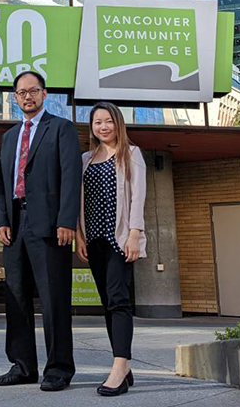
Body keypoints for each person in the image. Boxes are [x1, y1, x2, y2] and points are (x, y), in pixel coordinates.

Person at [0, 71, 82, 392]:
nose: (27, 97)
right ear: (15, 97)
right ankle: (22, 365)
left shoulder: (61, 128)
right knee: (16, 297)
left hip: (50, 225)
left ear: (44, 94)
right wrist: (1, 220)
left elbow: (71, 176)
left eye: (33, 91)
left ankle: (59, 368)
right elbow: (1, 183)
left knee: (54, 298)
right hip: (15, 226)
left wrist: (67, 220)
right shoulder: (9, 137)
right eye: (21, 93)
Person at [76, 102, 147, 397]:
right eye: (97, 122)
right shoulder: (85, 159)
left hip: (119, 238)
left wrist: (134, 233)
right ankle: (123, 365)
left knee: (119, 300)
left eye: (108, 121)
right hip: (93, 240)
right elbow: (80, 201)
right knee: (108, 302)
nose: (103, 127)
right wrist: (79, 235)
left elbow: (138, 198)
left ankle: (120, 365)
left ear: (118, 123)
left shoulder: (132, 154)